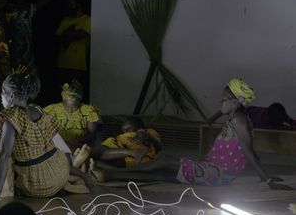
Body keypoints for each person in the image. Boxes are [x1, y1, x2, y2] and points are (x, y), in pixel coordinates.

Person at [89, 79, 294, 190]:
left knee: (164, 161)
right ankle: (109, 175)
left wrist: (266, 178)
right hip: (212, 169)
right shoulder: (235, 117)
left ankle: (109, 174)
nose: (220, 102)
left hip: (219, 174)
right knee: (164, 174)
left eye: (224, 99)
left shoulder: (240, 119)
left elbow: (249, 151)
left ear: (235, 102)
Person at [0, 74, 92, 204]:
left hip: (38, 185)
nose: (0, 95)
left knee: (11, 174)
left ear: (11, 96)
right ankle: (76, 171)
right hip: (59, 169)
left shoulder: (9, 118)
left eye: (3, 92)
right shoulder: (37, 110)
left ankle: (74, 171)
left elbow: (4, 156)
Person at [8, 0, 54, 72]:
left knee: (29, 77)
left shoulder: (31, 9)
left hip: (27, 52)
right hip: (13, 51)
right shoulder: (10, 8)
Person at [43, 79, 102, 152]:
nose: (70, 111)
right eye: (67, 107)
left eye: (74, 108)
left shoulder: (87, 111)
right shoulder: (52, 110)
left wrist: (82, 140)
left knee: (95, 152)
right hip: (58, 148)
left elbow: (94, 135)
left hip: (81, 147)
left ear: (80, 103)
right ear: (62, 102)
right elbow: (44, 133)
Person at [55, 0, 91, 99]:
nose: (69, 6)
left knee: (76, 97)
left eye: (72, 3)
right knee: (63, 96)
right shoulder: (66, 20)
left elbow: (83, 35)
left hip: (78, 66)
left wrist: (65, 35)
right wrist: (73, 34)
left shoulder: (87, 19)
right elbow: (57, 38)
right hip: (63, 64)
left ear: (79, 4)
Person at [92, 117, 162, 169]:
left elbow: (159, 147)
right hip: (121, 154)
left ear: (140, 128)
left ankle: (135, 153)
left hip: (132, 159)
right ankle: (133, 154)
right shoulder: (124, 136)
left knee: (96, 153)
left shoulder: (148, 132)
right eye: (124, 131)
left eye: (128, 129)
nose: (125, 132)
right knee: (96, 159)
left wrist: (148, 136)